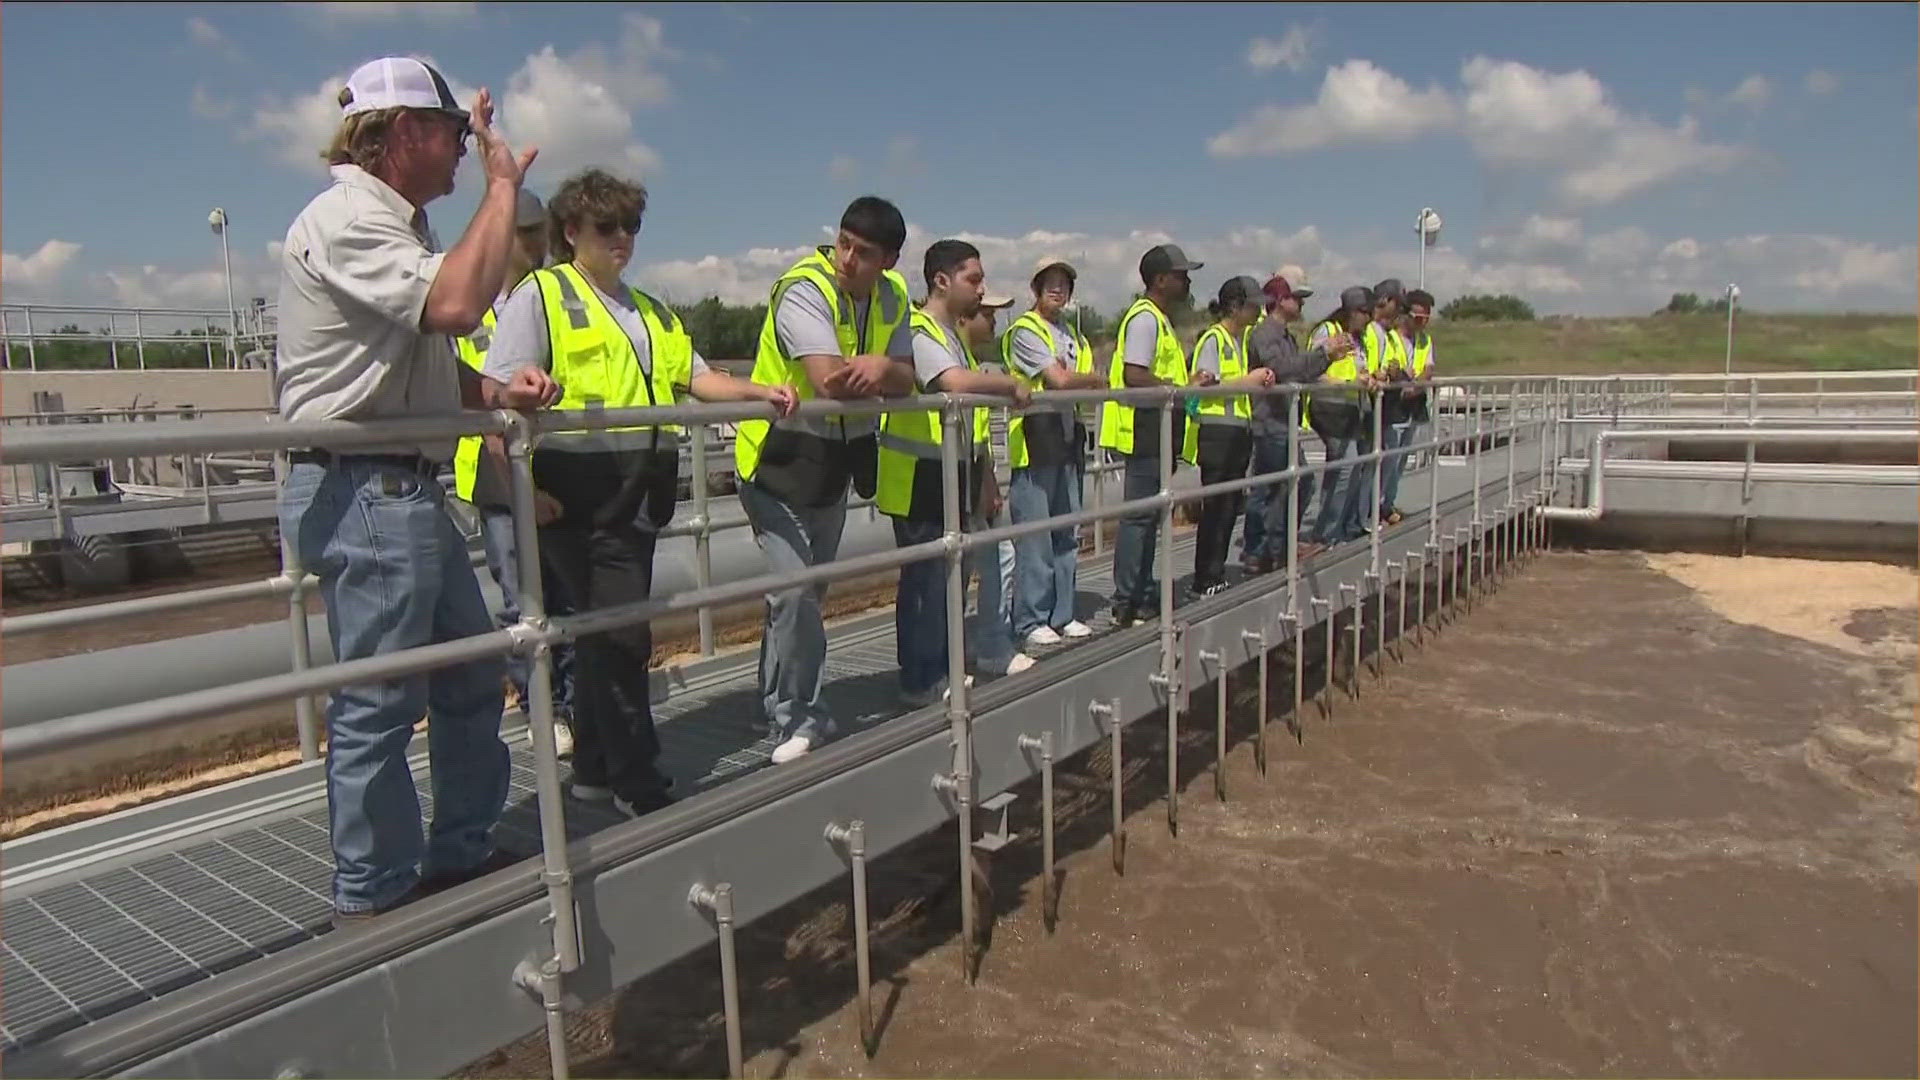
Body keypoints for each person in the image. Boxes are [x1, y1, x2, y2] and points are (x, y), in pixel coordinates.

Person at [272, 57, 558, 924]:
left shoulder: (397, 227)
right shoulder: (349, 219)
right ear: (403, 135)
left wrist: (496, 394)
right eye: (454, 134)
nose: (467, 152)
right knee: (381, 701)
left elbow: (424, 364)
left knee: (470, 675)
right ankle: (373, 896)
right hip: (363, 489)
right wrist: (503, 189)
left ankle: (458, 853)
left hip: (401, 488)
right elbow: (460, 309)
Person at [482, 168, 797, 815]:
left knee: (605, 634)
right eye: (608, 227)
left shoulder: (648, 309)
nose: (623, 238)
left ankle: (596, 769)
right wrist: (522, 491)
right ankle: (636, 778)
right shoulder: (542, 297)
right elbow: (497, 398)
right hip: (574, 497)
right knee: (623, 635)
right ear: (572, 232)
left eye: (632, 226)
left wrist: (758, 393)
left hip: (637, 495)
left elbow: (697, 378)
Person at [735, 196, 918, 764]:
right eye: (843, 244)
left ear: (888, 260)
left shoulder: (894, 297)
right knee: (795, 593)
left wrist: (885, 369)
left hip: (835, 467)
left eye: (862, 253)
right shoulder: (802, 287)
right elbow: (827, 378)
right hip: (775, 461)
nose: (846, 259)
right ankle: (798, 717)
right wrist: (875, 373)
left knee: (804, 593)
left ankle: (774, 697)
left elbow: (909, 381)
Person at [449, 187, 575, 755]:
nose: (534, 245)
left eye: (536, 233)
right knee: (519, 599)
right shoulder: (467, 311)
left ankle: (568, 701)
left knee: (562, 594)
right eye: (524, 234)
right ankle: (540, 708)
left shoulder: (554, 298)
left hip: (553, 467)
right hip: (495, 477)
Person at [881, 240, 1031, 706]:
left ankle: (942, 667)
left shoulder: (951, 338)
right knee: (925, 581)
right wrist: (1008, 383)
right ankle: (920, 678)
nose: (981, 288)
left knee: (949, 575)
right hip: (917, 474)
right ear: (942, 281)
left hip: (949, 473)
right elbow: (952, 383)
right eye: (974, 279)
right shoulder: (918, 329)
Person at [1002, 256, 1105, 648]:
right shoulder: (1026, 330)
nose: (1058, 289)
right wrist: (1090, 378)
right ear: (1036, 288)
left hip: (1067, 437)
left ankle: (1063, 614)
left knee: (1067, 532)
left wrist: (1079, 379)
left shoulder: (1072, 336)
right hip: (1034, 440)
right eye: (1050, 282)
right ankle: (1030, 619)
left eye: (1064, 283)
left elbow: (1073, 381)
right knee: (1036, 535)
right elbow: (1061, 380)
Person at [1101, 244, 1198, 627]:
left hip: (1158, 428)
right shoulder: (1145, 319)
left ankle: (1139, 591)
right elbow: (1134, 375)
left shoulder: (1159, 320)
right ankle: (1129, 598)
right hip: (1144, 429)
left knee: (1149, 515)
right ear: (1160, 280)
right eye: (1181, 275)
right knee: (1139, 517)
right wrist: (1173, 388)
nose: (1187, 281)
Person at [1243, 273, 1345, 570]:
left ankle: (1275, 546)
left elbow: (1298, 370)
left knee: (1290, 485)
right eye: (1296, 297)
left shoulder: (1286, 336)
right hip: (1269, 420)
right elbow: (1282, 369)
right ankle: (1259, 549)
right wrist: (1323, 354)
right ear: (1279, 299)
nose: (1300, 303)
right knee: (1270, 488)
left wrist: (1326, 364)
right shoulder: (1264, 334)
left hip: (1282, 421)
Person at [1184, 276, 1276, 596]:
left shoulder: (1238, 340)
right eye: (1252, 305)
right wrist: (1248, 381)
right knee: (1216, 507)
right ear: (1235, 306)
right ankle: (1205, 577)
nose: (1257, 312)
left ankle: (1216, 572)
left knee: (1228, 507)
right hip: (1217, 432)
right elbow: (1206, 386)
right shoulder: (1215, 339)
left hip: (1237, 430)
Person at [958, 293, 1033, 678]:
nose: (994, 323)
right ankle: (987, 646)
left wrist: (987, 480)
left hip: (970, 474)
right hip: (947, 476)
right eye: (988, 314)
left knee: (987, 558)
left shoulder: (970, 360)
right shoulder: (960, 364)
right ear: (965, 318)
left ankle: (977, 644)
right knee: (987, 558)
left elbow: (979, 435)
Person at [1304, 286, 1378, 547]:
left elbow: (1358, 369)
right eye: (1364, 312)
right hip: (1328, 408)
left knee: (1352, 468)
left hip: (1350, 411)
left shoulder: (1359, 339)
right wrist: (1345, 383)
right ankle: (1325, 533)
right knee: (1345, 466)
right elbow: (1312, 369)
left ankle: (1337, 529)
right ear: (1351, 310)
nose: (1368, 318)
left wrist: (1369, 378)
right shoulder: (1328, 332)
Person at [1380, 288, 1438, 521]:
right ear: (1406, 314)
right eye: (1418, 317)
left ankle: (1388, 504)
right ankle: (1376, 506)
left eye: (1426, 318)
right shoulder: (1391, 337)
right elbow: (1391, 368)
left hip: (1414, 403)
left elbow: (1428, 368)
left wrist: (1417, 384)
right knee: (1388, 458)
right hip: (1394, 404)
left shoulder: (1425, 340)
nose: (1422, 323)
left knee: (1401, 458)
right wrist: (1405, 379)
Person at [1366, 278, 1412, 525]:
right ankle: (1366, 514)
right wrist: (1380, 375)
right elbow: (1368, 368)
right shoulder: (1372, 331)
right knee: (1370, 464)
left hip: (1387, 407)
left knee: (1388, 460)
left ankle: (1376, 508)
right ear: (1385, 301)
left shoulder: (1388, 335)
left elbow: (1401, 371)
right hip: (1372, 406)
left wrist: (1396, 374)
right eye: (1397, 305)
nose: (1399, 313)